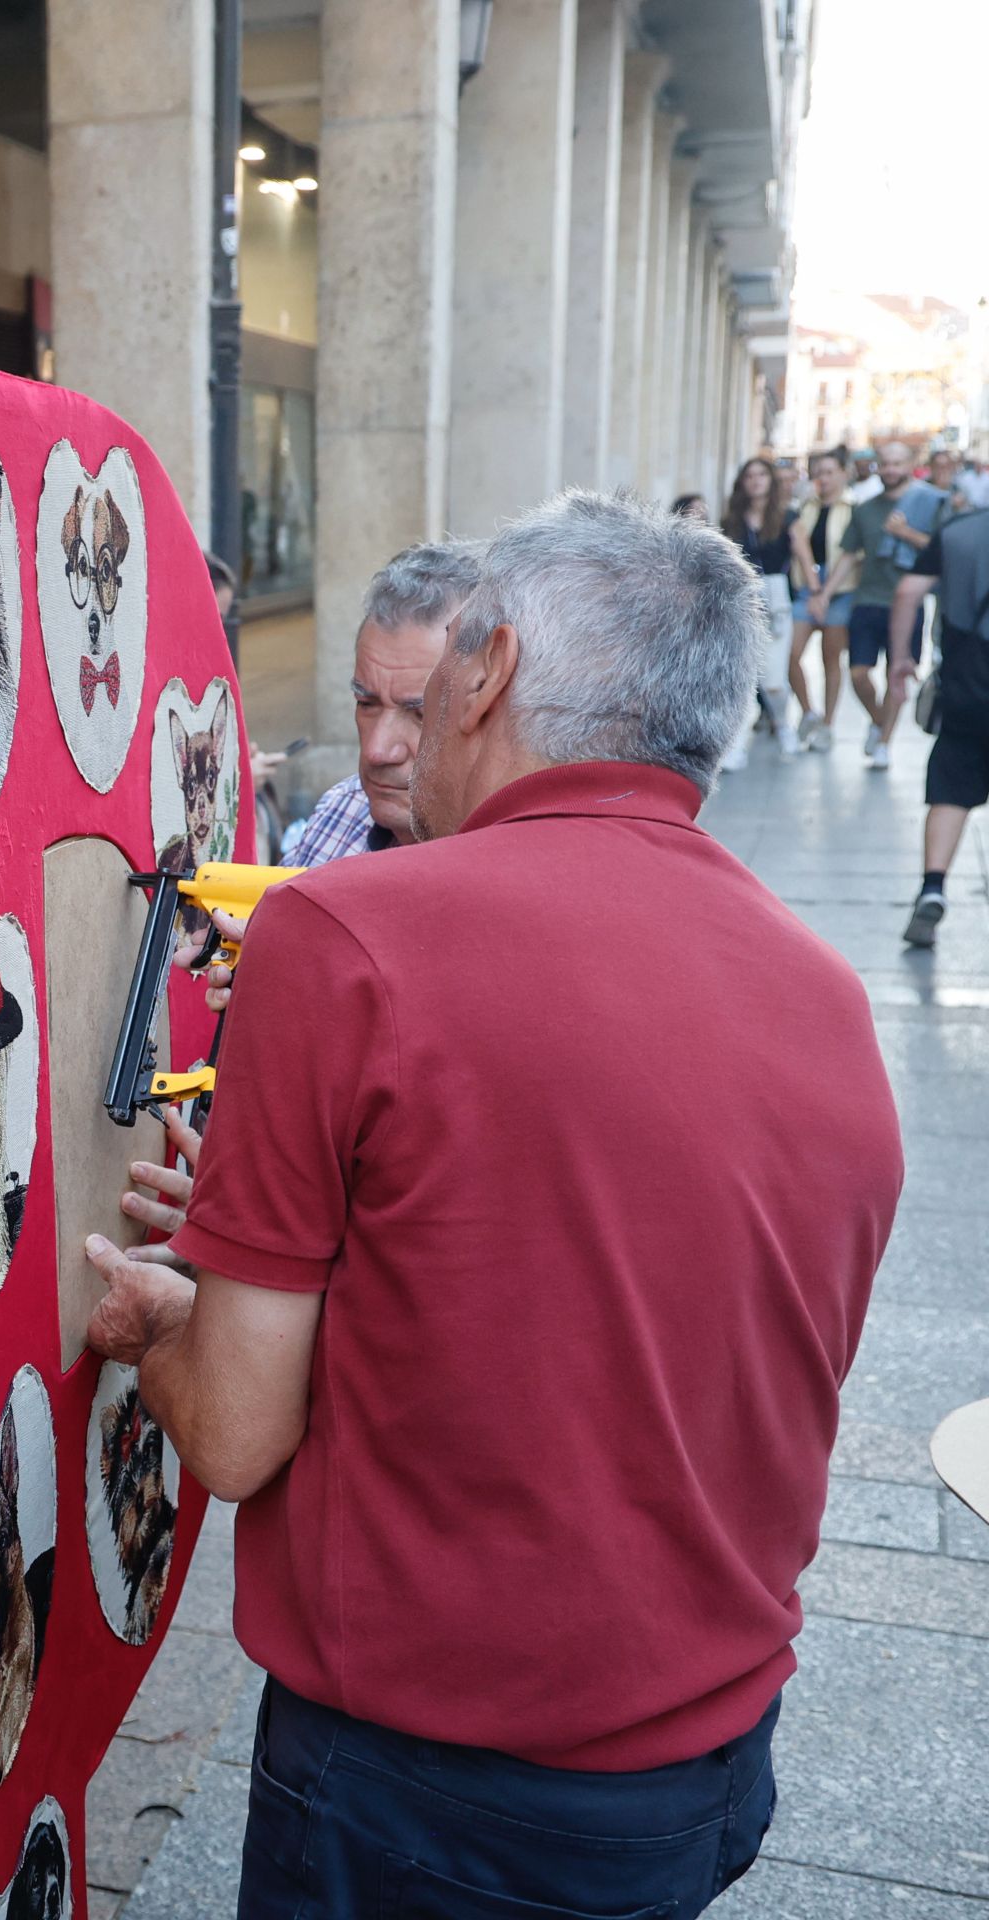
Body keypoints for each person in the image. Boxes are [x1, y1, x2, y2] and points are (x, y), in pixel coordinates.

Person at [88, 490, 901, 1920]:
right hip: (706, 1768)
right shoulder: (828, 998)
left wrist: (162, 1320)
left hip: (424, 1792)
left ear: (494, 672)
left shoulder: (347, 936)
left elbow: (230, 1434)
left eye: (445, 664)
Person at [280, 541, 482, 867]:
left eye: (420, 714)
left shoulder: (522, 866)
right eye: (366, 703)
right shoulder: (339, 813)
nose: (377, 750)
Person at [890, 500, 989, 946]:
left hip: (968, 682)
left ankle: (933, 887)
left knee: (950, 788)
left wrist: (900, 658)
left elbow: (909, 591)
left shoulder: (957, 532)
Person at [828, 438, 944, 768]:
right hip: (868, 600)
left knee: (897, 672)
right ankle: (880, 721)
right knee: (859, 673)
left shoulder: (931, 503)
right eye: (885, 463)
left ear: (910, 464)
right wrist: (826, 593)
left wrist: (906, 533)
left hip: (908, 604)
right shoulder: (864, 510)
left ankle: (883, 742)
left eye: (897, 463)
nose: (891, 469)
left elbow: (941, 549)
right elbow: (850, 554)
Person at [722, 456, 798, 759]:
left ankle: (782, 723)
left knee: (774, 682)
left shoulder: (788, 518)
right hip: (742, 599)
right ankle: (735, 743)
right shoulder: (731, 522)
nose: (756, 481)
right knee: (741, 677)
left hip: (778, 601)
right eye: (750, 475)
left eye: (761, 475)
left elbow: (803, 559)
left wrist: (818, 594)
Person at [787, 448, 855, 751]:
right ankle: (807, 711)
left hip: (840, 590)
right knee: (790, 653)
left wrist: (825, 593)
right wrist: (815, 591)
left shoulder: (854, 508)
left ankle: (828, 724)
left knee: (831, 659)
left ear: (843, 472)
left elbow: (854, 556)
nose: (823, 479)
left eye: (829, 472)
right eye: (818, 473)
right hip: (807, 588)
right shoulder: (805, 506)